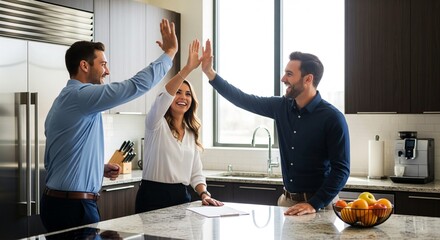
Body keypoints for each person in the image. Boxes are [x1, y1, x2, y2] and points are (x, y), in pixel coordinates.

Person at [41, 19, 178, 232]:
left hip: (61, 203)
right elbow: (134, 86)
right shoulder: (81, 96)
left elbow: (57, 161)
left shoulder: (64, 100)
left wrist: (97, 169)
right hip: (74, 207)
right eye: (103, 64)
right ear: (84, 66)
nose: (107, 71)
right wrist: (169, 53)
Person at [200, 39, 350, 216]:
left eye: (289, 74)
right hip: (287, 203)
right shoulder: (281, 106)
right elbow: (243, 99)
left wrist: (313, 204)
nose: (283, 79)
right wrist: (210, 73)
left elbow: (341, 170)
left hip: (320, 206)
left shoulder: (333, 118)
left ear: (308, 79)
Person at [135, 40, 223, 213]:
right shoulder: (155, 123)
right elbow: (165, 95)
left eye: (188, 94)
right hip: (153, 197)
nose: (183, 97)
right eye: (178, 93)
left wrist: (204, 194)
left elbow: (195, 172)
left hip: (182, 198)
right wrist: (188, 68)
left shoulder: (191, 133)